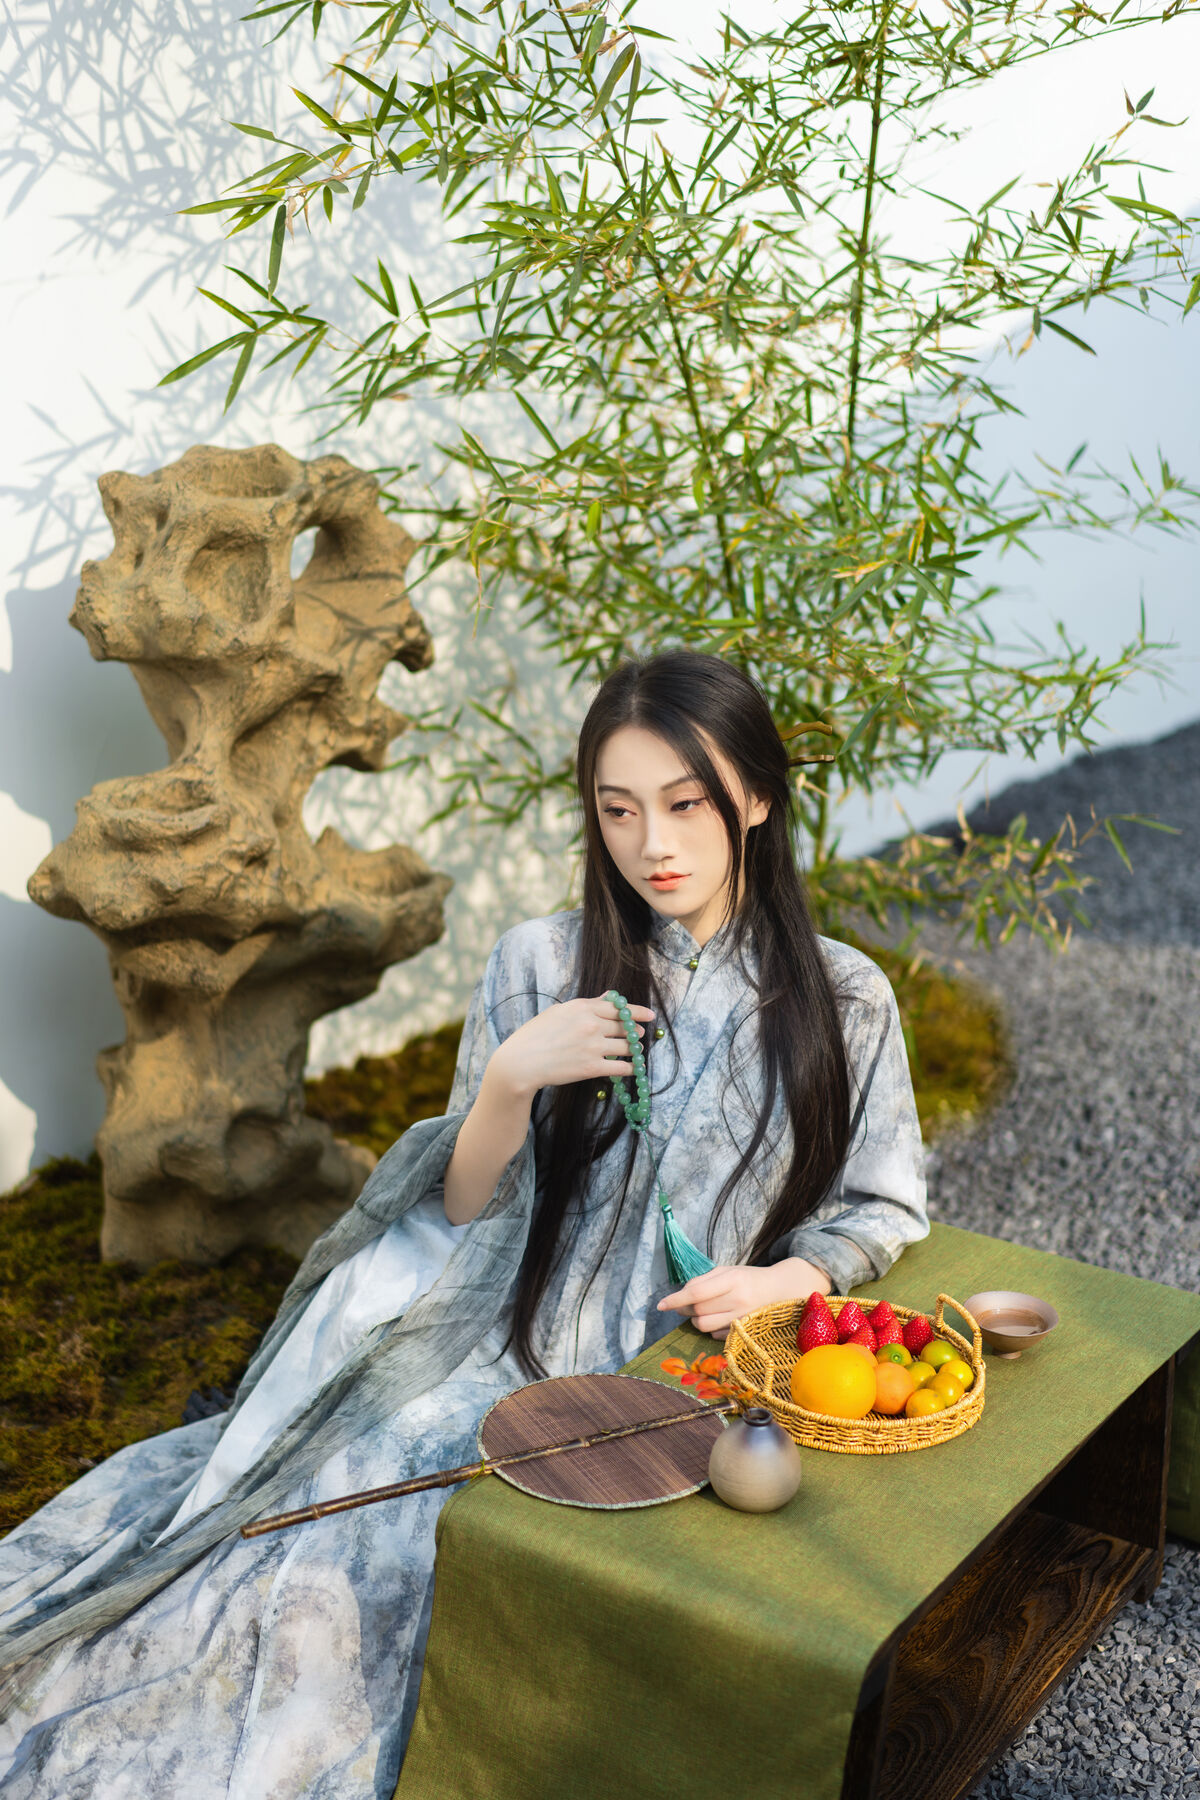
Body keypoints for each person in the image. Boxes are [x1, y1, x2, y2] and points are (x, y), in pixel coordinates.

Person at [0, 651, 927, 1799]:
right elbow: (462, 1209)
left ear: (755, 799)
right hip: (502, 1338)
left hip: (678, 1375)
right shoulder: (538, 962)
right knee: (321, 1567)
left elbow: (883, 1202)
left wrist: (785, 1279)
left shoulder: (845, 998)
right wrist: (508, 1080)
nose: (653, 844)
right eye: (619, 810)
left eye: (686, 804)